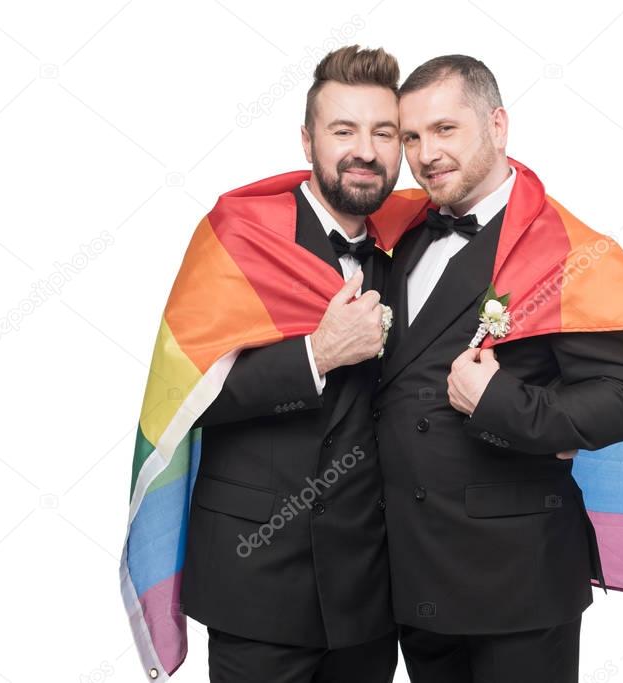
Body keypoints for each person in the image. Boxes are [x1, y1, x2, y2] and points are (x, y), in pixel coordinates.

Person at [374, 54, 623, 683]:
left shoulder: (562, 248)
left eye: (446, 129)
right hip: (416, 578)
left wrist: (500, 400)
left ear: (497, 126)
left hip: (519, 581)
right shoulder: (403, 237)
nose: (425, 154)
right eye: (411, 137)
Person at [179, 45, 401, 682]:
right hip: (256, 578)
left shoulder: (411, 254)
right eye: (343, 130)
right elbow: (190, 394)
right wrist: (316, 354)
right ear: (307, 141)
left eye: (382, 132)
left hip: (372, 592)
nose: (364, 149)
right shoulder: (238, 235)